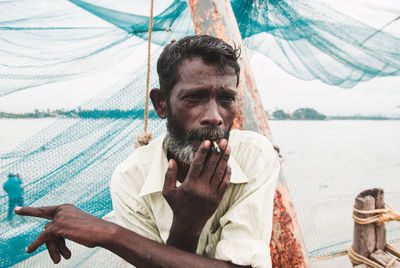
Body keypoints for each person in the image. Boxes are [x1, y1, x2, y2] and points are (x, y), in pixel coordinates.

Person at [15, 35, 280, 268]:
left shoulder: (256, 156)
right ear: (161, 103)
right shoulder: (131, 177)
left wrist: (110, 234)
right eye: (194, 98)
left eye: (226, 99)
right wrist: (187, 223)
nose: (214, 117)